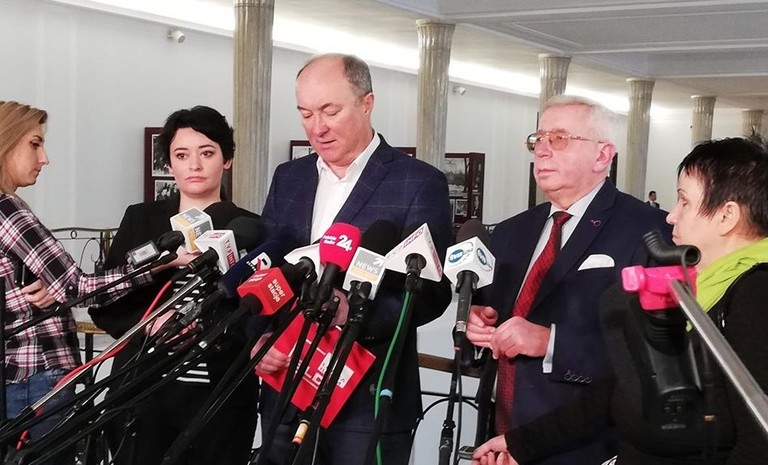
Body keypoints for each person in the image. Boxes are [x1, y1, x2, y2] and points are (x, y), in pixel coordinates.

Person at [471, 137, 768, 465]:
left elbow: (758, 443)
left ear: (727, 216)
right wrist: (523, 444)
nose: (671, 216)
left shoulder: (755, 294)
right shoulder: (698, 284)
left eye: (684, 202)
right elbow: (621, 386)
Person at [253, 53, 453, 465]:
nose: (317, 127)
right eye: (305, 114)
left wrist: (354, 313)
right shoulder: (289, 178)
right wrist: (261, 338)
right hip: (286, 384)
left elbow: (430, 293)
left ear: (367, 103)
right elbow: (267, 267)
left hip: (367, 395)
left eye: (330, 111)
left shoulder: (417, 182)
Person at [466, 95, 671, 465]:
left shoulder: (648, 231)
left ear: (603, 156)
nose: (542, 150)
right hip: (498, 439)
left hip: (584, 446)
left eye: (559, 138)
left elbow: (652, 358)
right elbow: (494, 319)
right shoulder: (511, 232)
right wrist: (479, 326)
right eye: (538, 139)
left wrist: (551, 343)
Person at [0, 100, 180, 464]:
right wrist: (161, 263)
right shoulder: (9, 211)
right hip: (38, 377)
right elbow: (78, 288)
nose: (44, 158)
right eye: (34, 144)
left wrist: (44, 292)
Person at [88, 106, 260, 465]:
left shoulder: (251, 227)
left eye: (207, 153)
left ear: (227, 159)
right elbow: (106, 303)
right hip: (142, 393)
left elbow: (258, 314)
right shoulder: (141, 218)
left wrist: (209, 329)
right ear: (169, 164)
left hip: (219, 396)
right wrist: (151, 324)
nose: (194, 165)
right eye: (182, 155)